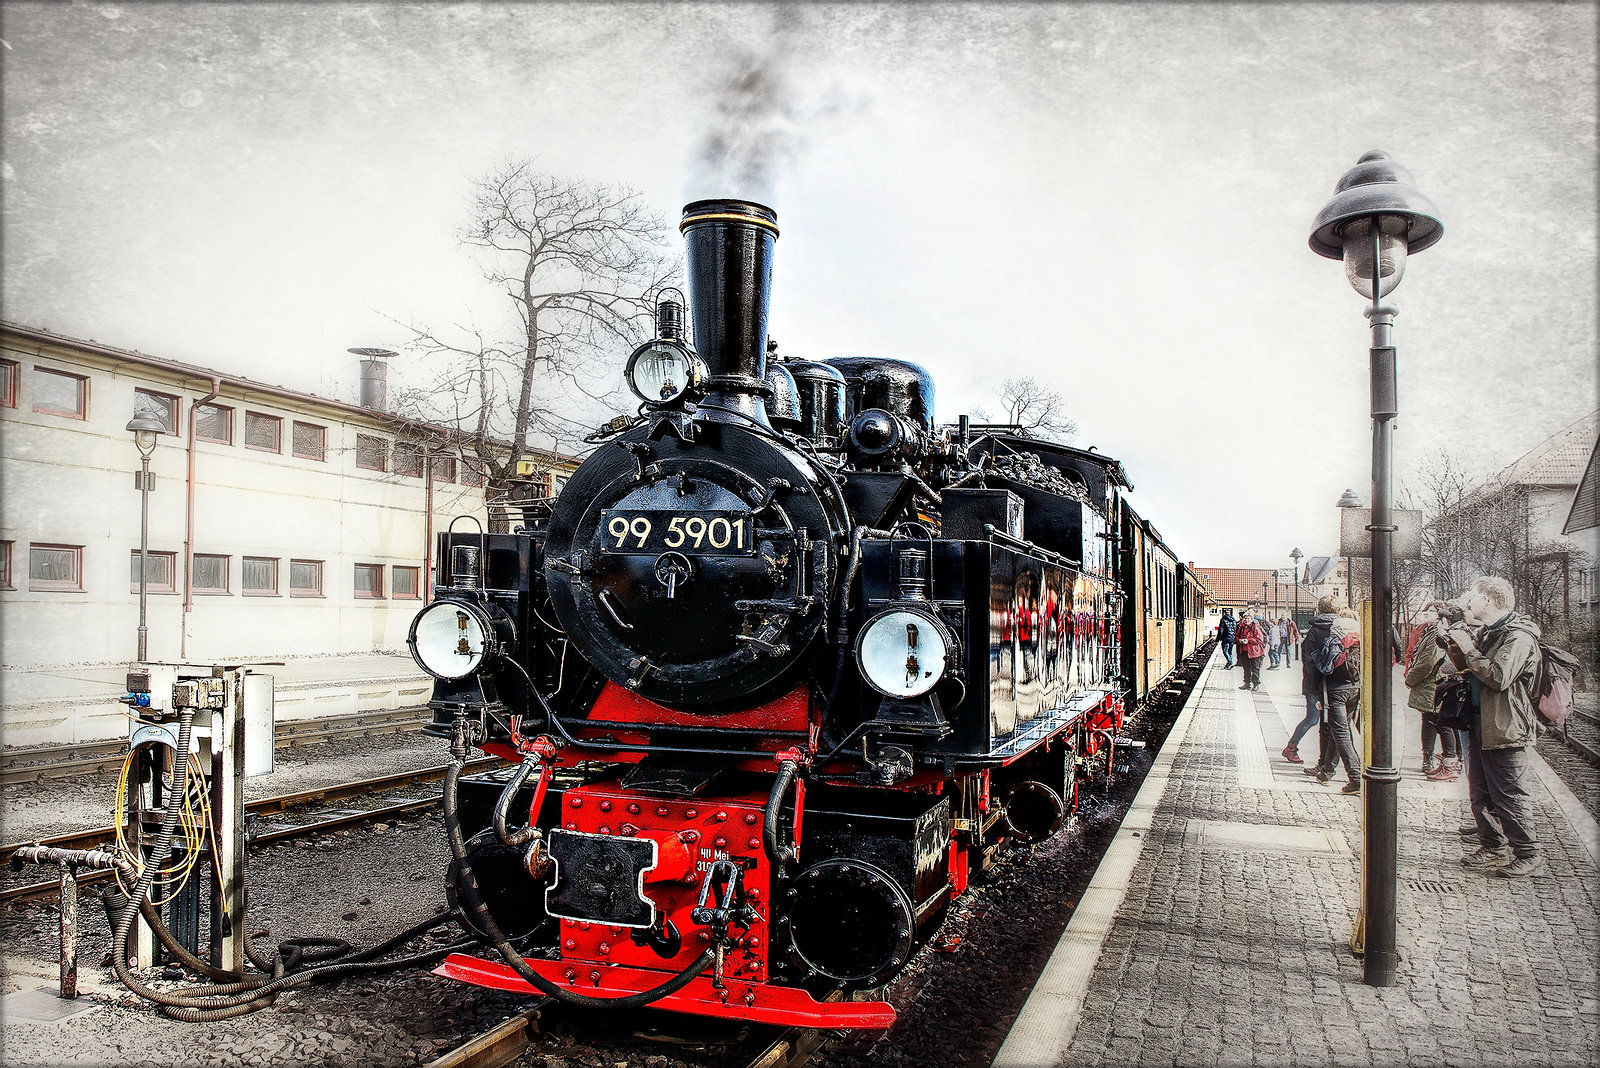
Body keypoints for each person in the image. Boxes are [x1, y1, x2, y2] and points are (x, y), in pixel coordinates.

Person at [1442, 576, 1545, 878]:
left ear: (1487, 600)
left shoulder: (1518, 637)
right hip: (1481, 721)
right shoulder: (1491, 633)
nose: (1467, 601)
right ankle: (1492, 845)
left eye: (1472, 596)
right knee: (1480, 791)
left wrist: (1467, 647)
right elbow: (1471, 671)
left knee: (1510, 794)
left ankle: (1528, 852)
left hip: (1505, 726)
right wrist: (1456, 645)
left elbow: (1498, 677)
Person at [1300, 595, 1362, 793]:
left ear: (1319, 609)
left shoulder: (1318, 631)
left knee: (1340, 732)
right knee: (1340, 729)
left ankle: (1356, 777)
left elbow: (1312, 665)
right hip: (1355, 684)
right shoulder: (1354, 627)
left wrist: (1314, 692)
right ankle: (1327, 770)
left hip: (1334, 688)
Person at [1405, 601, 1458, 780]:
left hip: (1433, 684)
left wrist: (1411, 679)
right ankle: (1432, 760)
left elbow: (1427, 662)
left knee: (1440, 722)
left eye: (1432, 611)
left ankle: (1448, 763)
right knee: (1430, 720)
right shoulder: (1427, 631)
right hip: (1431, 684)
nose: (1426, 613)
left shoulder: (1436, 633)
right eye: (1425, 609)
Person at [1236, 608, 1267, 690]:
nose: (1246, 620)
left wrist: (1248, 640)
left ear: (1252, 619)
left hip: (1254, 652)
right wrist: (1239, 640)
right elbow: (1236, 636)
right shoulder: (1241, 627)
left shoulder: (1256, 628)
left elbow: (1260, 639)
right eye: (1245, 618)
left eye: (1248, 618)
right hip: (1244, 651)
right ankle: (1247, 683)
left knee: (1255, 668)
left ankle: (1255, 684)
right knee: (1246, 668)